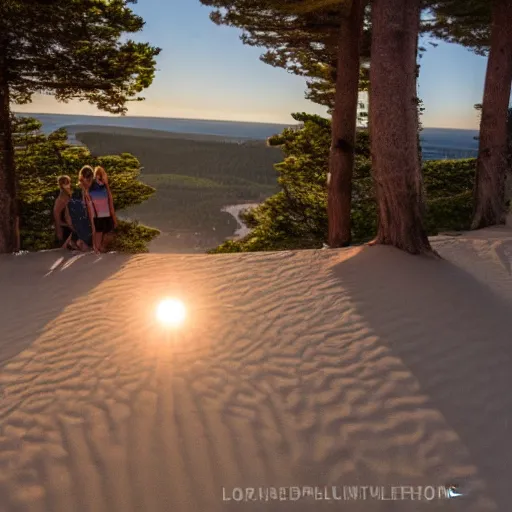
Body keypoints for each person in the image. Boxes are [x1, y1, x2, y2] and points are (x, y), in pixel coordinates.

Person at [65, 166, 97, 252]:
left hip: (86, 225)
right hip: (81, 225)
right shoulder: (77, 193)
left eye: (89, 180)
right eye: (87, 180)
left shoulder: (91, 190)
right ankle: (80, 241)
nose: (88, 183)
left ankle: (79, 241)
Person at [88, 166, 118, 252]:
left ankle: (99, 248)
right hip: (101, 214)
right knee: (102, 232)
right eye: (103, 174)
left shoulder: (98, 185)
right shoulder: (98, 186)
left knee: (103, 232)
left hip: (101, 214)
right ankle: (98, 248)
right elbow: (109, 200)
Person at [53, 175, 77, 250]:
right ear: (61, 185)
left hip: (69, 226)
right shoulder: (62, 198)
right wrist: (60, 230)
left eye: (69, 182)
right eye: (66, 183)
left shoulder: (67, 195)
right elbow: (56, 215)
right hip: (65, 228)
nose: (69, 185)